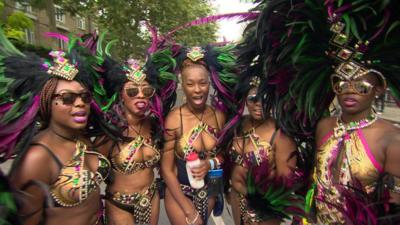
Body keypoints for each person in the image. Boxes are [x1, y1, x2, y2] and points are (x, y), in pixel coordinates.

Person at [236, 0, 400, 224]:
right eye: (341, 84)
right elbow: (315, 182)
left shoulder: (391, 138)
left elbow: (394, 209)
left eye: (361, 86)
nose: (349, 92)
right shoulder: (324, 125)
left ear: (379, 88)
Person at [0, 30, 122, 225]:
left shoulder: (79, 138)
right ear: (47, 102)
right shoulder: (37, 158)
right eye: (67, 98)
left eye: (85, 97)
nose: (80, 103)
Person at [95, 48, 177, 225]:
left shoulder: (154, 125)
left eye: (146, 91)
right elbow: (93, 172)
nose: (140, 95)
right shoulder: (110, 131)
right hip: (119, 204)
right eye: (132, 91)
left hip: (151, 199)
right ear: (121, 95)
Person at [162, 45, 238, 225]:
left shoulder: (219, 116)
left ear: (210, 83)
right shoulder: (174, 119)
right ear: (183, 85)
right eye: (190, 84)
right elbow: (167, 169)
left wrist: (210, 163)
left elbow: (225, 153)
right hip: (180, 194)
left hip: (209, 191)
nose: (197, 89)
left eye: (202, 83)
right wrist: (189, 211)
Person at [227, 76, 298, 225]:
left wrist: (260, 197)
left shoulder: (280, 134)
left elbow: (285, 184)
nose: (259, 104)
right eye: (253, 98)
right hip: (237, 198)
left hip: (264, 208)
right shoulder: (239, 124)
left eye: (265, 98)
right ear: (246, 99)